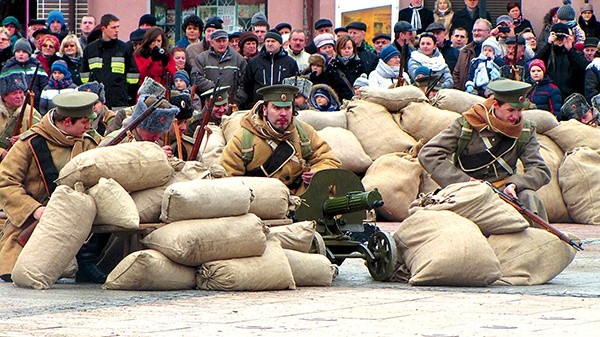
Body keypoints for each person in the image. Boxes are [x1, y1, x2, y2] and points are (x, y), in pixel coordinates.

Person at [0, 91, 107, 283]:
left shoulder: (89, 142)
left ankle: (85, 262)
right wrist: (35, 210)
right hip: (33, 220)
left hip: (79, 218)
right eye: (84, 122)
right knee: (18, 271)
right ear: (67, 121)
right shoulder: (29, 143)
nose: (89, 126)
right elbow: (6, 182)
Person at [418, 79, 551, 223]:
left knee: (528, 197)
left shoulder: (525, 130)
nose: (516, 116)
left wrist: (515, 184)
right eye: (510, 110)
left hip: (505, 192)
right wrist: (464, 181)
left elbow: (539, 169)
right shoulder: (467, 124)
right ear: (495, 104)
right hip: (468, 191)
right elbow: (429, 153)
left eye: (519, 110)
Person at [221, 84, 340, 195]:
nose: (283, 113)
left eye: (287, 108)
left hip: (302, 199)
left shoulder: (304, 132)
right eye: (277, 108)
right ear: (264, 110)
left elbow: (328, 159)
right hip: (262, 202)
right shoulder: (244, 138)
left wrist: (318, 173)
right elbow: (228, 179)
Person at [81, 14, 140, 109]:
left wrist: (128, 95)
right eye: (113, 27)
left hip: (119, 100)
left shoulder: (124, 48)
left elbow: (133, 75)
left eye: (118, 27)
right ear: (104, 28)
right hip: (96, 102)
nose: (117, 30)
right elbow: (84, 77)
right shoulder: (90, 50)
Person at [100, 95, 178, 159]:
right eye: (153, 132)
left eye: (160, 132)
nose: (157, 138)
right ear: (140, 125)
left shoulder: (156, 145)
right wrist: (155, 156)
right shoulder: (114, 140)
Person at [238, 31, 299, 109]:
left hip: (282, 105)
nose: (270, 44)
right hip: (259, 105)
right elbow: (247, 85)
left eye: (273, 41)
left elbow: (294, 85)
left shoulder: (290, 63)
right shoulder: (254, 62)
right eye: (267, 41)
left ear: (280, 44)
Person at [535, 23, 588, 101]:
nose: (559, 40)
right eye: (557, 36)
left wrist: (570, 50)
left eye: (562, 37)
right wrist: (548, 44)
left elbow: (583, 68)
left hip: (571, 97)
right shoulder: (548, 53)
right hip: (551, 96)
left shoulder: (575, 54)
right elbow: (536, 62)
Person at [190, 29, 246, 96]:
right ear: (212, 43)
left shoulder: (239, 59)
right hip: (208, 101)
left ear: (227, 42)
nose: (221, 44)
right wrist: (215, 88)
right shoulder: (201, 58)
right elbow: (196, 78)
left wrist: (237, 101)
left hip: (231, 103)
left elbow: (244, 83)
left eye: (224, 41)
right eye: (218, 41)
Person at [0, 72, 41, 157]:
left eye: (21, 92)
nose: (19, 96)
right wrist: (1, 152)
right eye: (14, 93)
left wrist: (23, 138)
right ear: (4, 97)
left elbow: (40, 134)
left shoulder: (31, 112)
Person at [2, 38, 49, 110]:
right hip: (14, 107)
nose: (21, 54)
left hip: (35, 105)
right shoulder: (8, 68)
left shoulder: (37, 67)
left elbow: (44, 86)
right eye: (18, 51)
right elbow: (3, 89)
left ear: (29, 54)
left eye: (24, 52)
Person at [325, 35, 367, 101]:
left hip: (355, 101)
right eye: (343, 48)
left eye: (349, 48)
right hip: (338, 102)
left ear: (353, 49)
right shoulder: (332, 67)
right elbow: (328, 87)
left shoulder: (359, 65)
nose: (347, 50)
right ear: (338, 49)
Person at [453, 18, 491, 90]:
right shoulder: (465, 51)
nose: (476, 33)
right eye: (474, 30)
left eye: (479, 30)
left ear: (488, 32)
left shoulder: (495, 51)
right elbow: (456, 74)